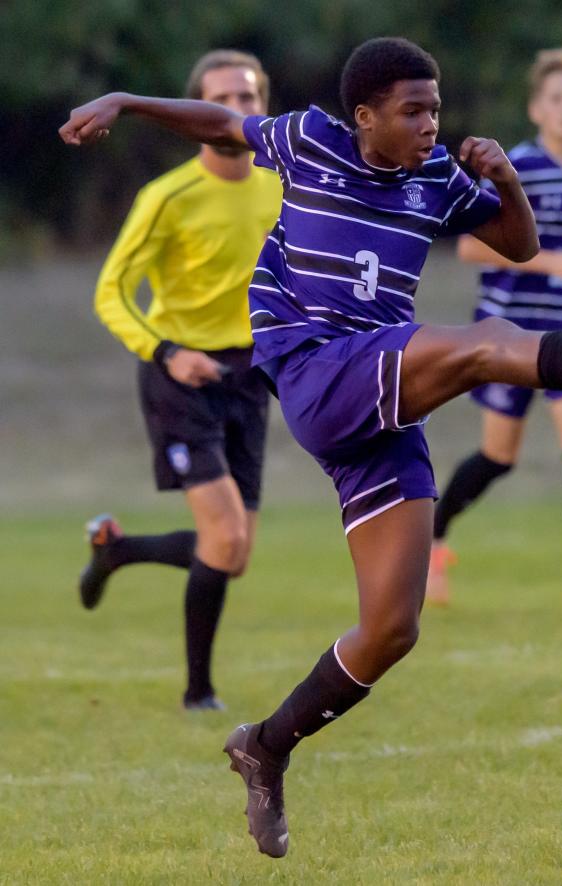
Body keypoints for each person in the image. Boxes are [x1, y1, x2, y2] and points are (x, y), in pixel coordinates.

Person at [60, 36, 562, 859]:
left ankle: (266, 744)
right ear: (364, 117)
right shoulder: (311, 140)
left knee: (391, 628)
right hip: (316, 371)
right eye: (412, 111)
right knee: (480, 344)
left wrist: (504, 179)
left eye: (435, 107)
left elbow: (519, 245)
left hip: (383, 403)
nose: (431, 124)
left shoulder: (438, 181)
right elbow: (220, 123)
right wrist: (124, 104)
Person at [79, 50, 282, 711]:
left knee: (237, 551)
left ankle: (118, 551)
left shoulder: (283, 186)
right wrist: (166, 352)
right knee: (224, 538)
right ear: (195, 116)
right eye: (221, 99)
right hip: (179, 374)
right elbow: (111, 294)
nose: (236, 111)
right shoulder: (166, 197)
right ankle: (199, 694)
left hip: (249, 373)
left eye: (248, 98)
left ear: (263, 107)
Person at [430, 47, 562, 620]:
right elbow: (470, 245)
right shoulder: (519, 164)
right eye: (558, 99)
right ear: (537, 110)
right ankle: (433, 537)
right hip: (509, 332)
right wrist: (554, 263)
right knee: (499, 457)